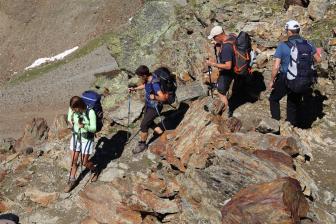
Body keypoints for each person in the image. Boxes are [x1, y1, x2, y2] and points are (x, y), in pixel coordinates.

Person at [268, 20, 321, 126]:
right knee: (293, 102)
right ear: (298, 30)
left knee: (274, 98)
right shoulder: (309, 44)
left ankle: (275, 123)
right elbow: (318, 60)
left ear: (289, 32)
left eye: (287, 30)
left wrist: (272, 80)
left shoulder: (282, 46)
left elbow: (276, 66)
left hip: (284, 77)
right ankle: (291, 125)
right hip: (301, 77)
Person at [206, 26, 246, 116]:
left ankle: (225, 113)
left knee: (221, 92)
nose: (213, 39)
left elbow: (228, 66)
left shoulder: (226, 48)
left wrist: (213, 64)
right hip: (237, 67)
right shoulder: (231, 37)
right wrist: (219, 45)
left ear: (219, 36)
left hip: (228, 72)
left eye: (214, 37)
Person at [129, 65, 168, 154]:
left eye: (139, 76)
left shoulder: (155, 84)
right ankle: (160, 132)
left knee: (143, 125)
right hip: (149, 105)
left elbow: (163, 98)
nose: (139, 78)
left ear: (144, 75)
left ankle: (142, 144)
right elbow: (145, 85)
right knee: (148, 122)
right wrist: (134, 89)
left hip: (155, 107)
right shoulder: (149, 78)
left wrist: (154, 96)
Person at [64, 96, 97, 193]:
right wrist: (70, 121)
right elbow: (70, 115)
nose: (73, 110)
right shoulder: (73, 109)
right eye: (72, 108)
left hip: (86, 139)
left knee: (84, 163)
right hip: (75, 137)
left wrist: (84, 126)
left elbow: (94, 128)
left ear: (79, 106)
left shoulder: (90, 112)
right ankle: (72, 180)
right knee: (74, 160)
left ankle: (95, 169)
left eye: (74, 109)